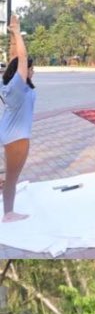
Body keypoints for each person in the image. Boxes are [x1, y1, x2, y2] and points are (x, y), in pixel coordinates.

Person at [1, 15, 36, 222]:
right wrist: (16, 33)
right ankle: (8, 213)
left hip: (8, 131)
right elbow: (21, 58)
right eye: (31, 69)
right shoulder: (18, 86)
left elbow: (15, 58)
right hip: (16, 137)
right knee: (12, 178)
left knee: (10, 175)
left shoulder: (7, 84)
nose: (33, 70)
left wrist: (15, 32)